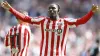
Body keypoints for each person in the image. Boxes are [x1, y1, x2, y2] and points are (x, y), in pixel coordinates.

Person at [1, 1, 98, 56]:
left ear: (58, 10)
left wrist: (91, 12)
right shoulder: (42, 21)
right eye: (49, 9)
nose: (51, 10)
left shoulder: (65, 22)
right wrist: (11, 9)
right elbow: (26, 18)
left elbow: (81, 21)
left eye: (53, 8)